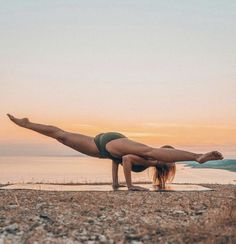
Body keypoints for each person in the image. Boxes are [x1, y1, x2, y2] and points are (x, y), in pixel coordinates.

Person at [7, 114, 223, 191]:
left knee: (62, 136)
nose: (165, 164)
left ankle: (27, 124)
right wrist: (129, 186)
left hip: (101, 146)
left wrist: (116, 184)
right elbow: (127, 158)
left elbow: (117, 161)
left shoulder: (153, 162)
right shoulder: (152, 159)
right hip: (114, 142)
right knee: (150, 151)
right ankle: (197, 157)